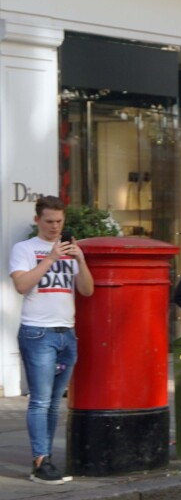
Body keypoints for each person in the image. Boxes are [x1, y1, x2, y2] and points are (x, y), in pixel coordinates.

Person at [9, 195, 95, 484]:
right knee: (40, 400)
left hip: (66, 333)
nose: (55, 227)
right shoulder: (25, 249)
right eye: (49, 222)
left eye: (59, 222)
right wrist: (50, 259)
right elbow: (21, 285)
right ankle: (41, 462)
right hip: (38, 333)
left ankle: (45, 458)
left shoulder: (70, 251)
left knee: (54, 402)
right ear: (37, 221)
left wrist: (80, 260)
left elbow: (87, 290)